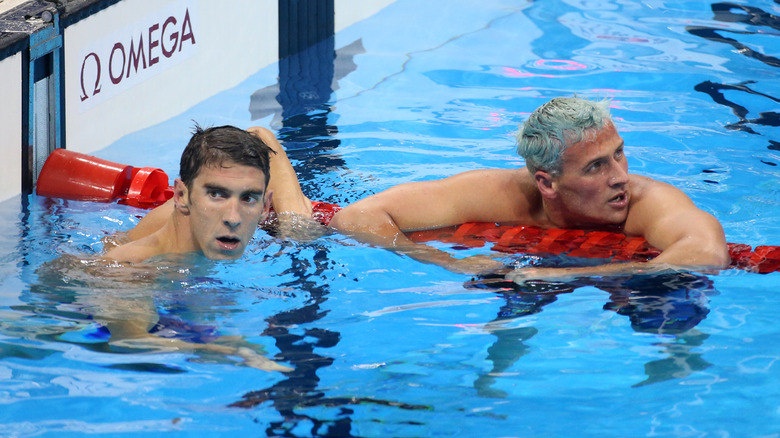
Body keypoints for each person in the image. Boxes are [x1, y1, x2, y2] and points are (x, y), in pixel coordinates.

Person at [327, 97, 731, 280]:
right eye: (596, 166)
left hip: (618, 280)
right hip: (530, 270)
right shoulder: (496, 193)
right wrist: (451, 263)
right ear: (546, 182)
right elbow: (356, 216)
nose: (621, 175)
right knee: (512, 292)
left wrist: (565, 277)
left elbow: (706, 253)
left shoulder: (647, 201)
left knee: (674, 295)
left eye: (619, 153)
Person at [104, 125, 306, 263]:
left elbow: (259, 134)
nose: (233, 218)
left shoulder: (206, 217)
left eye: (248, 198)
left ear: (264, 205)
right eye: (217, 195)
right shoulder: (137, 270)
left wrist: (293, 224)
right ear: (180, 195)